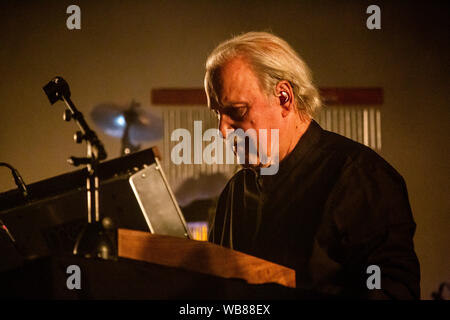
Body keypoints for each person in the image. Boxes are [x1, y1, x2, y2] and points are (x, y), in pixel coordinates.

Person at [204, 31, 420, 299]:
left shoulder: (361, 178)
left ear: (284, 98)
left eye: (237, 111)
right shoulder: (235, 193)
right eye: (217, 113)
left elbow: (392, 294)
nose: (223, 130)